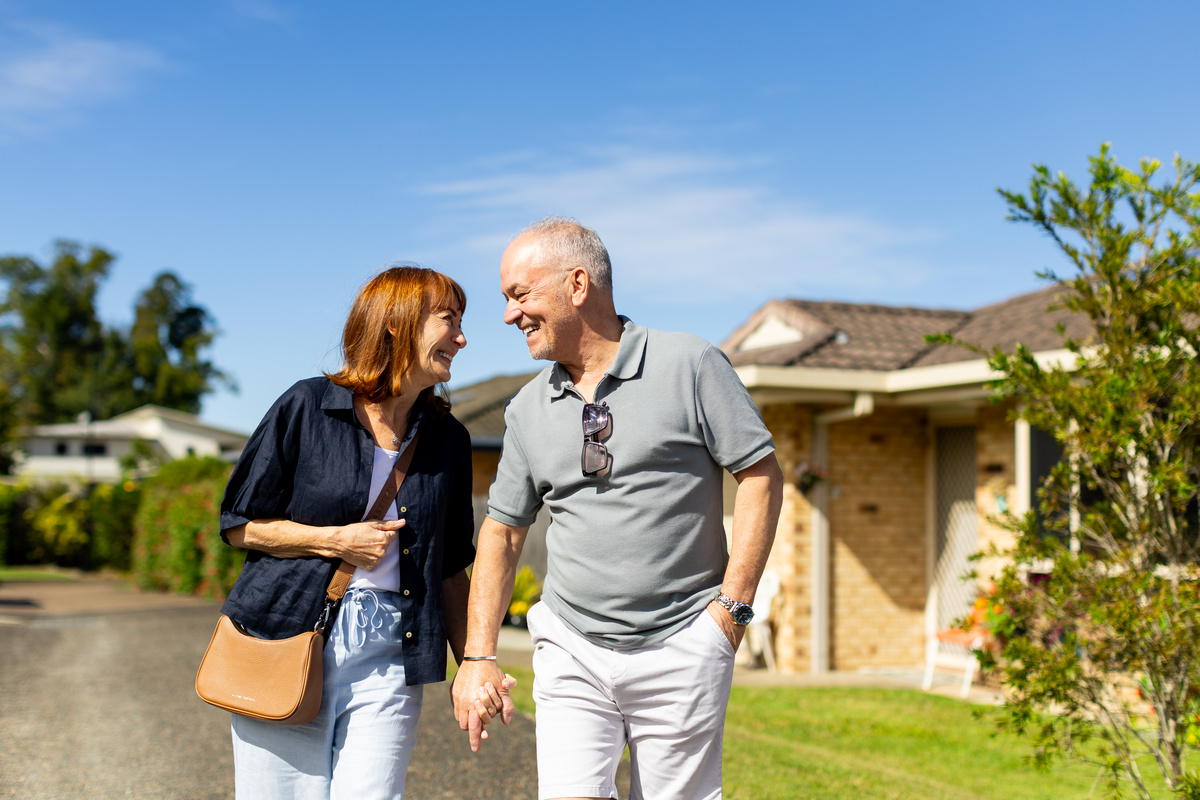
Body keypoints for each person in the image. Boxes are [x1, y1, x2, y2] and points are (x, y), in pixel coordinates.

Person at [452, 218, 784, 800]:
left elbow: (760, 474)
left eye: (519, 295)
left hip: (685, 642)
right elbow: (502, 533)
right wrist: (479, 654)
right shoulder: (526, 409)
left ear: (577, 284)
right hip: (572, 645)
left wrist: (731, 612)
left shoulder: (692, 365)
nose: (508, 315)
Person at [218, 265, 512, 799]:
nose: (462, 339)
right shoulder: (306, 407)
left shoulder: (449, 439)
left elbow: (449, 570)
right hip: (288, 642)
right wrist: (335, 540)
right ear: (398, 323)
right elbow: (240, 525)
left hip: (390, 657)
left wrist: (475, 663)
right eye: (449, 320)